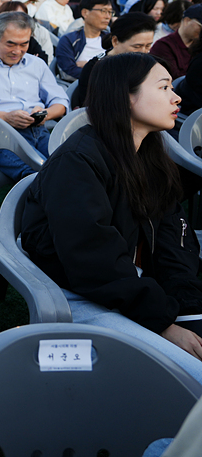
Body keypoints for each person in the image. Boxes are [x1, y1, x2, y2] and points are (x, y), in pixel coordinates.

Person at [21, 52, 202, 384]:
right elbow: (93, 262)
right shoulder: (77, 161)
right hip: (81, 296)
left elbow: (173, 239)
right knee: (190, 379)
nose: (176, 96)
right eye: (163, 88)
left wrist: (187, 308)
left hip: (134, 289)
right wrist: (163, 323)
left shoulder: (149, 155)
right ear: (125, 97)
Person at [0, 12, 69, 180]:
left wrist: (44, 114)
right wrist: (3, 116)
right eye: (11, 44)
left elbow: (61, 103)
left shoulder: (36, 64)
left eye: (24, 44)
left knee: (68, 165)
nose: (17, 51)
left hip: (37, 130)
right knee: (37, 174)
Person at [73, 13, 155, 109]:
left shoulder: (148, 64)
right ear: (115, 41)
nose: (143, 52)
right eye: (137, 47)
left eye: (148, 46)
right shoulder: (95, 69)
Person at [55, 0, 112, 81]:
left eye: (110, 12)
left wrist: (87, 65)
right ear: (85, 13)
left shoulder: (111, 40)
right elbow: (67, 73)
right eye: (103, 11)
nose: (108, 17)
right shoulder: (69, 40)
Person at [151, 4, 202, 80]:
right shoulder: (163, 46)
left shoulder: (199, 45)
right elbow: (175, 78)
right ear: (186, 21)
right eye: (200, 26)